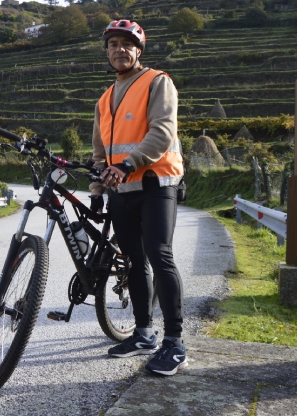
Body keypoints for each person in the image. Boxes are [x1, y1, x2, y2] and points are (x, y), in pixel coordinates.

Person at [89, 19, 186, 376]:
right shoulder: (104, 99)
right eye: (113, 44)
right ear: (107, 52)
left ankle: (174, 343)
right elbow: (99, 153)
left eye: (127, 44)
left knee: (159, 255)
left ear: (138, 50)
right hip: (121, 192)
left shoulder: (157, 82)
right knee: (133, 262)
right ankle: (143, 333)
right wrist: (97, 191)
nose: (120, 50)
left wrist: (128, 164)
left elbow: (163, 131)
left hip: (155, 183)